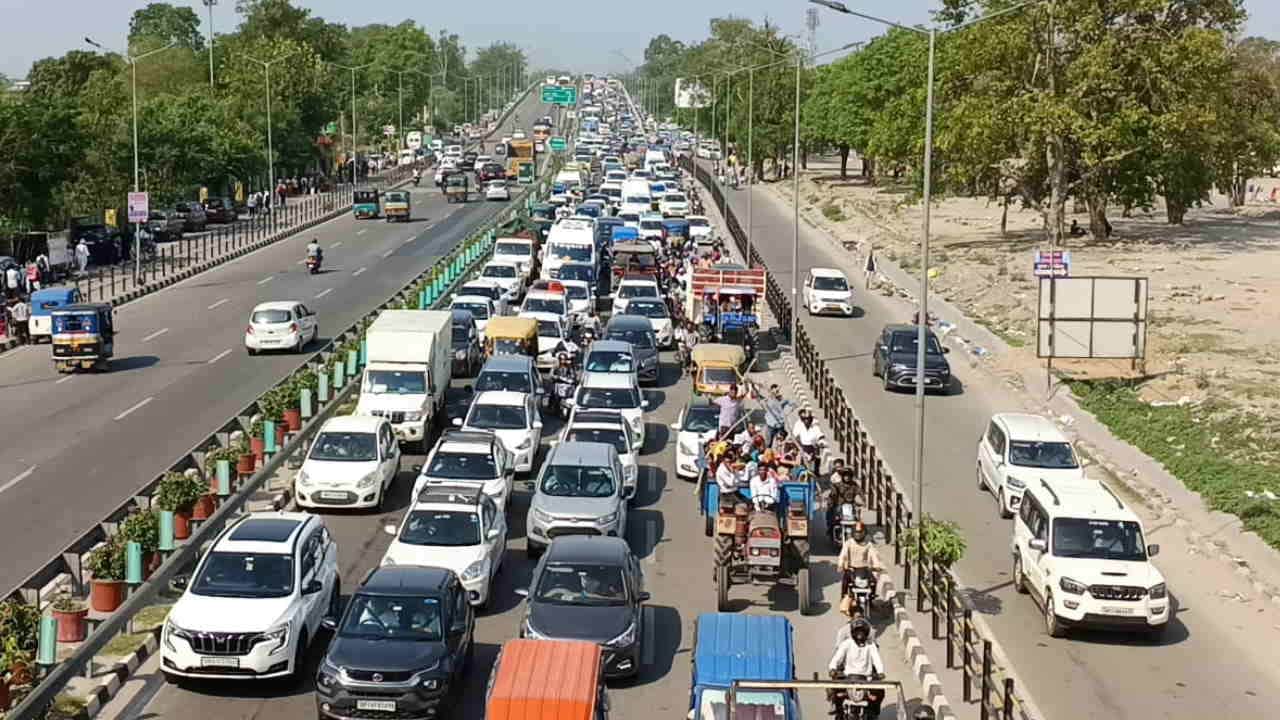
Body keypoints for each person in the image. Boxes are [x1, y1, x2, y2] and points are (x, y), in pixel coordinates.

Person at [829, 620, 885, 719]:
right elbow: (837, 657)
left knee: (880, 691)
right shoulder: (847, 643)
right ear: (853, 632)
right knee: (834, 689)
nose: (860, 634)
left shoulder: (870, 645)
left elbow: (877, 659)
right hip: (848, 679)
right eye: (857, 631)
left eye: (862, 632)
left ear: (866, 633)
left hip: (866, 680)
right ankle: (839, 711)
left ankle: (873, 712)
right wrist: (832, 668)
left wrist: (880, 672)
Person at [837, 521, 883, 606]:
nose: (858, 535)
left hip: (864, 569)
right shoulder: (849, 543)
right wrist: (840, 565)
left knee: (873, 581)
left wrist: (877, 566)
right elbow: (843, 554)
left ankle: (871, 598)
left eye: (860, 533)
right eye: (856, 532)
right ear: (853, 533)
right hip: (851, 569)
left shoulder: (868, 544)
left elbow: (874, 555)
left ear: (864, 533)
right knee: (845, 580)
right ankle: (843, 597)